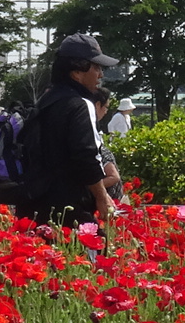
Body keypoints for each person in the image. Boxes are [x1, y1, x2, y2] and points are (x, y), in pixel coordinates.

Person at [15, 34, 117, 229]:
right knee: (90, 256)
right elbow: (86, 155)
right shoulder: (80, 104)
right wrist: (102, 197)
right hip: (68, 207)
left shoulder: (46, 101)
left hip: (33, 203)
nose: (101, 75)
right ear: (76, 72)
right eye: (96, 67)